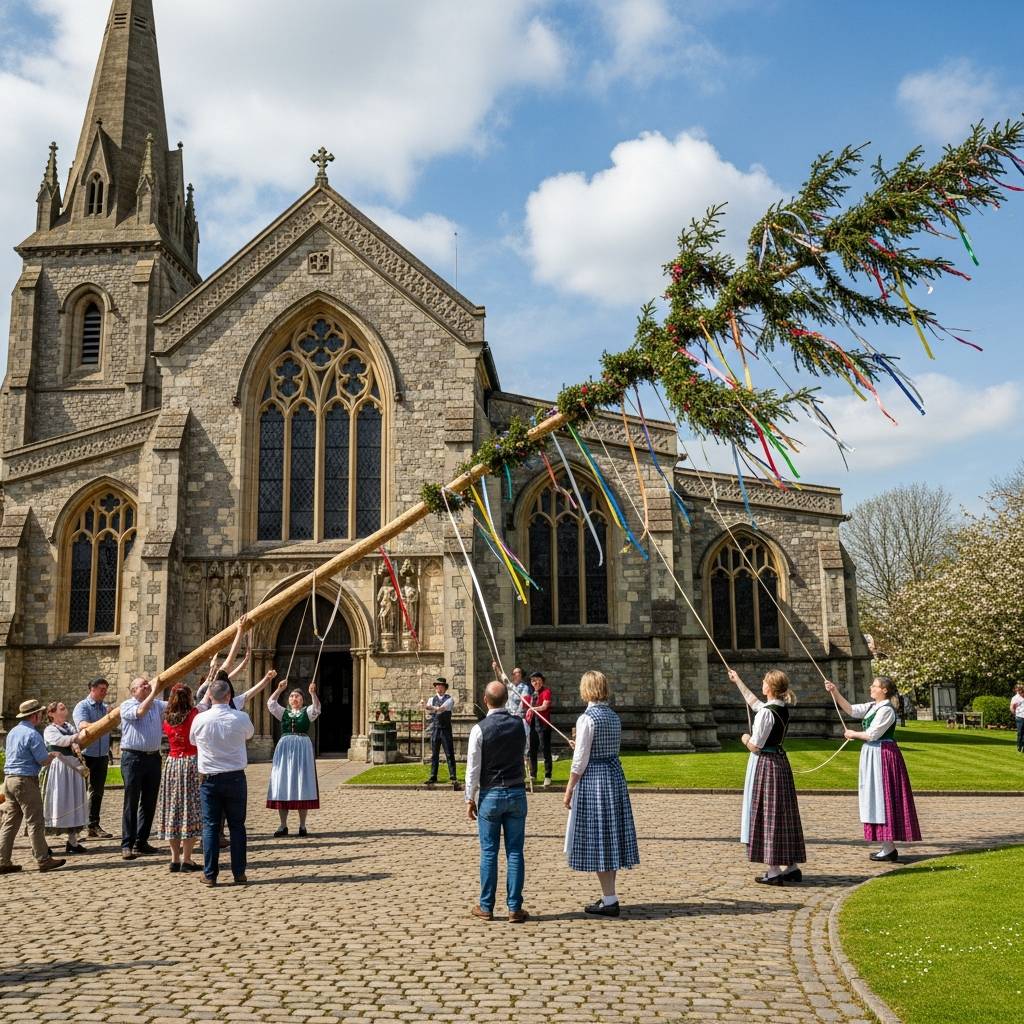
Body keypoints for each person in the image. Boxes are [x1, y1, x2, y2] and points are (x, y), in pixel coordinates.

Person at [563, 671, 639, 917]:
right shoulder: (613, 716)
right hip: (613, 775)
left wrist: (569, 787)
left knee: (599, 838)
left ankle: (609, 899)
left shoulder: (586, 719)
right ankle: (609, 896)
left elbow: (580, 760)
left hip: (595, 779)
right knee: (609, 837)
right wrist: (581, 746)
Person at [825, 676, 922, 861]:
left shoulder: (886, 710)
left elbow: (873, 734)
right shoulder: (872, 706)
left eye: (875, 685)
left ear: (884, 690)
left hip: (883, 755)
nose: (871, 687)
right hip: (873, 755)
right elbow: (852, 710)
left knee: (884, 797)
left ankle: (889, 847)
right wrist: (834, 691)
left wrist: (853, 733)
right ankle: (887, 846)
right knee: (875, 797)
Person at [728, 669, 805, 885]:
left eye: (763, 682)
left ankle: (773, 871)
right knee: (783, 814)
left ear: (769, 687)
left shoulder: (767, 713)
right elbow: (754, 703)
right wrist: (738, 681)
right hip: (780, 763)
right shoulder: (781, 708)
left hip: (767, 765)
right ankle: (791, 866)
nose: (761, 685)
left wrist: (745, 739)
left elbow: (756, 746)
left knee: (768, 815)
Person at [465, 679, 529, 923]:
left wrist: (469, 798)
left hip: (491, 794)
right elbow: (525, 750)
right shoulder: (521, 724)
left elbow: (473, 768)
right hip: (516, 791)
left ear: (485, 700)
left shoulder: (479, 729)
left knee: (489, 851)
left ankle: (486, 906)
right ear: (506, 699)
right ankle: (514, 907)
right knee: (515, 852)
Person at [189, 677, 255, 886]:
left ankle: (210, 874)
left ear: (210, 696)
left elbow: (192, 740)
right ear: (228, 696)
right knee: (237, 826)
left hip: (209, 779)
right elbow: (249, 735)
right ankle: (239, 873)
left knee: (210, 827)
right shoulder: (241, 717)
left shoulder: (200, 719)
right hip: (235, 777)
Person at [0, 699, 66, 873]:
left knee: (11, 821)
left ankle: (2, 860)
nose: (42, 717)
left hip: (9, 780)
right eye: (41, 714)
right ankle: (43, 859)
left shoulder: (13, 731)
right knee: (35, 821)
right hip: (25, 780)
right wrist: (52, 756)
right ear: (35, 715)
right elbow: (42, 760)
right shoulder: (33, 734)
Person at [118, 676, 168, 860]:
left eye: (148, 682)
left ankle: (142, 841)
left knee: (149, 802)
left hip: (153, 758)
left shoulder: (157, 704)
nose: (147, 685)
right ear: (133, 691)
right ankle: (127, 844)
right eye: (142, 685)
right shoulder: (126, 705)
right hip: (133, 758)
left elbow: (176, 705)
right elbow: (140, 712)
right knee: (131, 801)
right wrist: (154, 690)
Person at [266, 676, 319, 837]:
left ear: (303, 700)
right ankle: (283, 825)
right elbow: (270, 704)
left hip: (302, 749)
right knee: (283, 782)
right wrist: (279, 689)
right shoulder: (284, 713)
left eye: (297, 696)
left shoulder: (307, 712)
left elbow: (317, 708)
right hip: (285, 749)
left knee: (302, 783)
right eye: (291, 696)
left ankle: (302, 825)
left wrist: (313, 694)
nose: (294, 698)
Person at [159, 685, 203, 873]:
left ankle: (174, 859)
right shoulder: (194, 714)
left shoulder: (167, 717)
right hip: (190, 763)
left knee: (173, 810)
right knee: (189, 809)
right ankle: (187, 859)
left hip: (171, 763)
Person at [42, 702, 90, 855]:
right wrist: (77, 737)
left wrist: (78, 740)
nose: (65, 710)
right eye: (61, 708)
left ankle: (72, 842)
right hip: (60, 768)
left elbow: (77, 744)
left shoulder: (69, 727)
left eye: (65, 707)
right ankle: (43, 844)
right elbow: (60, 741)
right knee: (58, 801)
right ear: (52, 714)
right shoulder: (50, 730)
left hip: (73, 767)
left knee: (74, 801)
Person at [73, 676, 113, 838]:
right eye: (102, 689)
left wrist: (111, 717)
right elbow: (82, 725)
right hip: (85, 755)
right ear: (93, 689)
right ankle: (75, 827)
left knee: (97, 792)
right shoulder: (82, 706)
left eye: (106, 690)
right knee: (79, 791)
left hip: (101, 755)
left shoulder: (105, 708)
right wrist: (105, 721)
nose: (104, 692)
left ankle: (93, 825)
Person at [423, 677, 458, 790]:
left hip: (446, 729)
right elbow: (427, 708)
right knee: (435, 754)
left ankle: (453, 775)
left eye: (441, 685)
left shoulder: (450, 699)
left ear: (445, 687)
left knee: (449, 753)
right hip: (435, 729)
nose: (438, 687)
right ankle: (433, 776)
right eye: (437, 685)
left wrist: (433, 708)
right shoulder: (431, 699)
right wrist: (426, 706)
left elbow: (442, 708)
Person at [525, 671, 553, 787]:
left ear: (542, 680)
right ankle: (533, 774)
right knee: (532, 750)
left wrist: (532, 709)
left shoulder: (546, 692)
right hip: (533, 724)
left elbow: (545, 706)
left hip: (543, 725)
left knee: (545, 750)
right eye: (533, 681)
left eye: (537, 680)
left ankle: (547, 776)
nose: (535, 682)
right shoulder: (532, 694)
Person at [1011, 684, 1024, 753]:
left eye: (1021, 689)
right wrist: (1015, 714)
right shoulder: (1015, 698)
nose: (1019, 690)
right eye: (1018, 689)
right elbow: (1012, 707)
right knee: (1020, 732)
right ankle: (1019, 745)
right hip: (1020, 717)